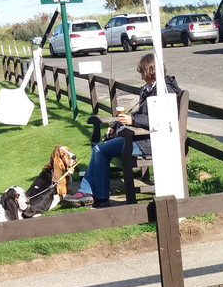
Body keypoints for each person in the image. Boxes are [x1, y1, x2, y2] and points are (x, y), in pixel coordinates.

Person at [64, 53, 181, 208]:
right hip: (140, 138)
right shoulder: (151, 88)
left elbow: (163, 120)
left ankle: (96, 194)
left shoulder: (166, 90)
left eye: (143, 74)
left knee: (100, 149)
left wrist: (132, 121)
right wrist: (116, 125)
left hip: (151, 141)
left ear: (150, 71)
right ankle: (88, 192)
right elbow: (141, 114)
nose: (141, 78)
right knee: (101, 149)